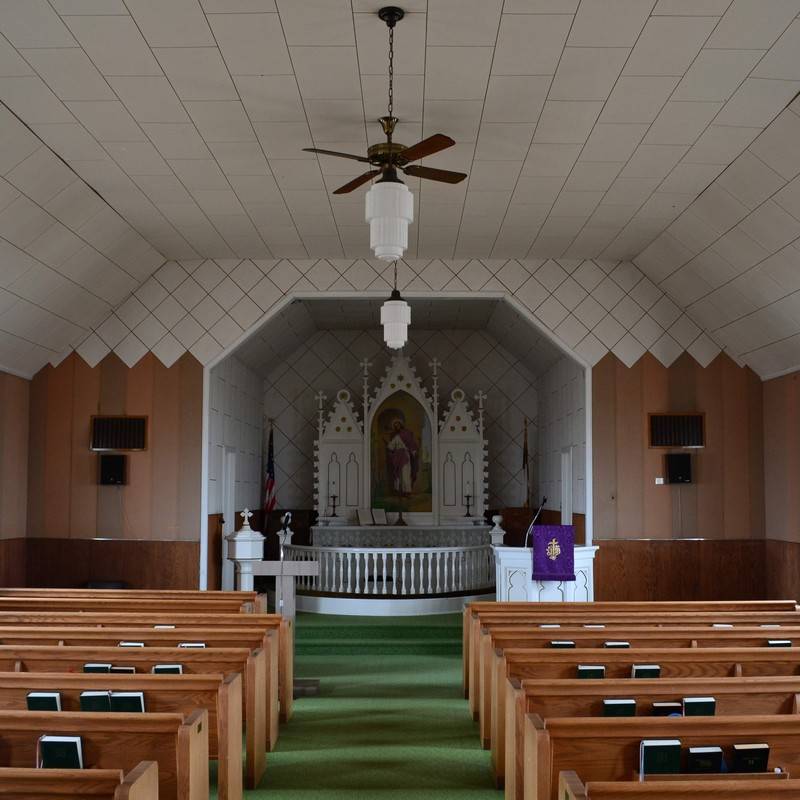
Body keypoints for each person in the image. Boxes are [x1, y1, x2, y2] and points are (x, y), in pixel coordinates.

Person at [385, 417, 419, 496]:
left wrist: (414, 452)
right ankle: (397, 490)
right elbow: (390, 446)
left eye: (398, 425)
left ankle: (406, 491)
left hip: (405, 456)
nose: (397, 427)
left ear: (401, 425)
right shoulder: (396, 437)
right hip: (397, 457)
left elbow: (411, 444)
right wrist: (390, 449)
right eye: (395, 426)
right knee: (397, 473)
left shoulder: (406, 434)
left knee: (406, 473)